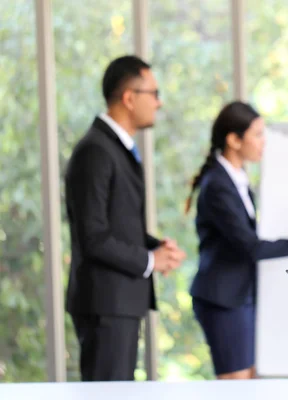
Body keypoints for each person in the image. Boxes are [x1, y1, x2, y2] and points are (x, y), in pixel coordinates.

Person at [65, 55, 186, 381]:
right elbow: (93, 237)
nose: (159, 103)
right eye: (154, 93)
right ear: (129, 98)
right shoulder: (96, 150)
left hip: (118, 303)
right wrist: (149, 259)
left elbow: (116, 224)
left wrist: (156, 246)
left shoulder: (114, 147)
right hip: (106, 303)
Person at [186, 101, 288, 380]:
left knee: (250, 381)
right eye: (257, 134)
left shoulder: (235, 178)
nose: (263, 142)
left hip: (239, 296)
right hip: (223, 299)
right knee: (237, 385)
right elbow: (250, 246)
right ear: (233, 140)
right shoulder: (218, 185)